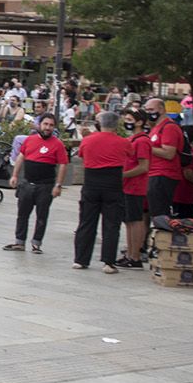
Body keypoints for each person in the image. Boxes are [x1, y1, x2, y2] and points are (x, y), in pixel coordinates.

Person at [73, 111, 129, 273]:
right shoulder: (123, 142)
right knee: (111, 224)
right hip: (113, 184)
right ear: (116, 125)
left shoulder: (88, 140)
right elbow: (130, 154)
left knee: (86, 222)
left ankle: (80, 259)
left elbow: (82, 156)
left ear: (100, 123)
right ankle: (108, 262)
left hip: (91, 183)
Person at [3, 113, 67, 254]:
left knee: (42, 215)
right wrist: (14, 175)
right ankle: (19, 242)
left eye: (51, 125)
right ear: (40, 125)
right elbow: (21, 157)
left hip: (45, 185)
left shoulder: (58, 144)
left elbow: (63, 164)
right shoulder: (29, 140)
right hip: (27, 184)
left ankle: (37, 243)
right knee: (22, 214)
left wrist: (58, 185)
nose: (47, 127)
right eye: (45, 124)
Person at [142, 97, 185, 228]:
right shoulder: (157, 127)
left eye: (151, 110)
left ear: (161, 109)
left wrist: (147, 147)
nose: (148, 113)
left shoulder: (169, 127)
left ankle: (165, 240)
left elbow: (169, 153)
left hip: (163, 174)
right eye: (146, 110)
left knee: (160, 213)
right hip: (155, 173)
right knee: (155, 211)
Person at [119, 109, 152, 268]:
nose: (127, 122)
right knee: (129, 220)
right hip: (127, 187)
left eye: (130, 119)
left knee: (135, 220)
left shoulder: (142, 141)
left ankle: (135, 256)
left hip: (135, 187)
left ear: (139, 122)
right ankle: (131, 254)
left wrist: (124, 175)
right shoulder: (132, 139)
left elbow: (144, 166)